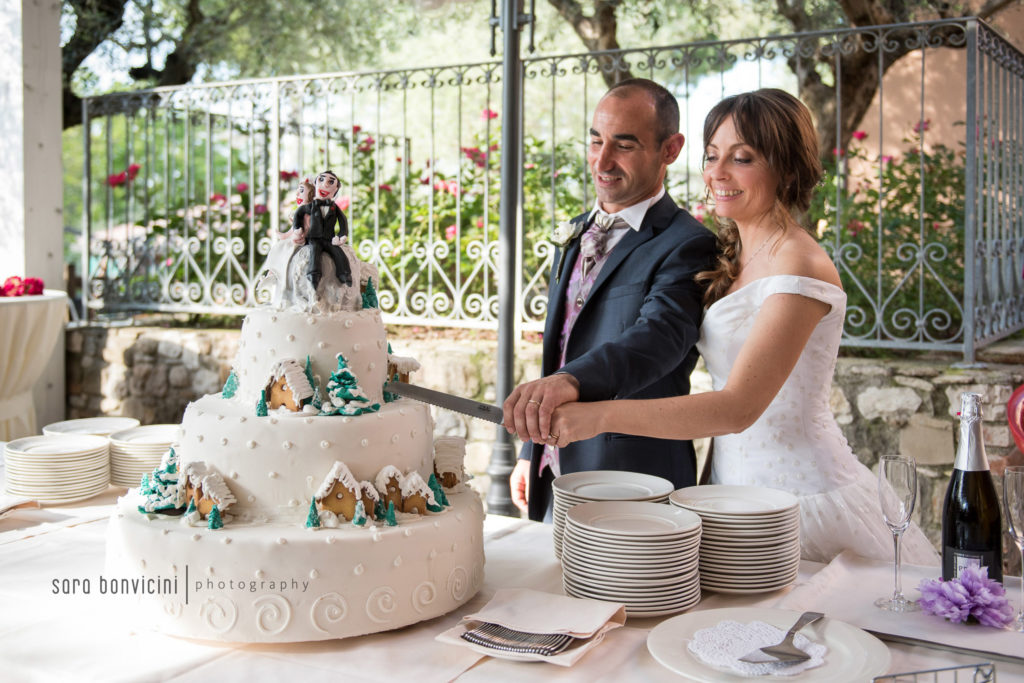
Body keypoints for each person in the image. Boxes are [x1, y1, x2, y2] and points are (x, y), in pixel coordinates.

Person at [542, 88, 937, 564]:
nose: (717, 173)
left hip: (798, 496)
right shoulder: (733, 254)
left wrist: (597, 415)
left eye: (742, 158)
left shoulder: (799, 263)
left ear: (785, 166)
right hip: (728, 492)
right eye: (712, 156)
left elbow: (736, 407)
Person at [502, 78, 718, 522]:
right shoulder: (577, 229)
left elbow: (656, 339)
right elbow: (562, 346)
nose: (602, 160)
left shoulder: (688, 244)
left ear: (670, 149)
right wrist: (532, 449)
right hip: (553, 471)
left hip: (633, 479)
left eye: (624, 145)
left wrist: (570, 383)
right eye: (596, 141)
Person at [293, 170, 353, 288]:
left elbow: (343, 221)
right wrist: (297, 227)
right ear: (315, 184)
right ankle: (313, 275)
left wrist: (342, 236)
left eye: (331, 182)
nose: (325, 184)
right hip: (314, 238)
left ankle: (345, 274)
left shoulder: (334, 208)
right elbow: (298, 213)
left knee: (338, 252)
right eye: (321, 179)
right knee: (314, 252)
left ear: (336, 189)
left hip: (329, 238)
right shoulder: (311, 206)